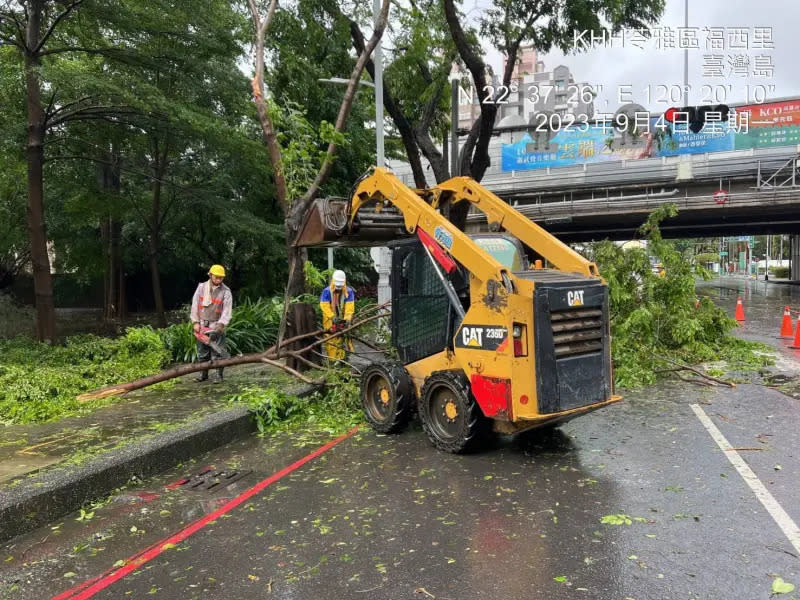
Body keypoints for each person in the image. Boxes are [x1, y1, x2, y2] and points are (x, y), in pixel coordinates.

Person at [190, 264, 233, 383]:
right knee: (202, 352)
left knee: (218, 351)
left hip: (216, 325)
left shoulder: (226, 291)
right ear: (210, 275)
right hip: (202, 324)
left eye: (221, 277)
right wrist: (195, 322)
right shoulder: (201, 287)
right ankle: (203, 374)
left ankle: (218, 375)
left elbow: (227, 310)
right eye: (216, 277)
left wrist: (222, 324)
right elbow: (195, 305)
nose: (219, 279)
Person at [319, 269, 355, 361]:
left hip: (342, 318)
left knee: (343, 338)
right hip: (329, 320)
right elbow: (324, 306)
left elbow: (349, 307)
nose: (339, 288)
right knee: (331, 339)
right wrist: (332, 317)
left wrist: (347, 319)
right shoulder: (327, 291)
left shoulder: (348, 292)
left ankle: (343, 359)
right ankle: (333, 361)